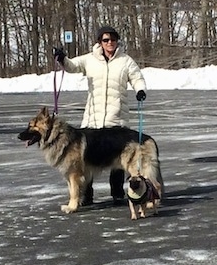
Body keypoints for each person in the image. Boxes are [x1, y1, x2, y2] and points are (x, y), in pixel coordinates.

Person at [53, 25, 147, 206]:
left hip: (116, 117)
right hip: (93, 120)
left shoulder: (125, 61)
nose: (109, 43)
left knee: (118, 158)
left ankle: (118, 193)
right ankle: (86, 195)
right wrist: (62, 58)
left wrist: (140, 90)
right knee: (88, 160)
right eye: (105, 40)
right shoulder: (90, 59)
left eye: (112, 39)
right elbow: (72, 66)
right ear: (100, 42)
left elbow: (137, 77)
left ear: (117, 41)